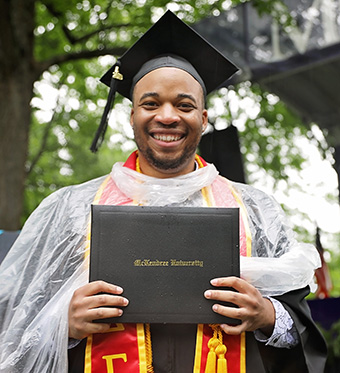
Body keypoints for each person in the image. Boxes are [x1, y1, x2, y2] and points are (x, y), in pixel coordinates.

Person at [0, 10, 326, 373]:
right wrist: (64, 324)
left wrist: (266, 314)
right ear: (132, 115)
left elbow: (299, 327)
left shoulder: (254, 210)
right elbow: (18, 324)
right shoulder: (71, 209)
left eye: (184, 105)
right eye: (151, 104)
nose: (167, 116)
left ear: (203, 119)